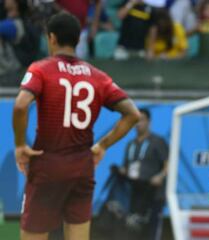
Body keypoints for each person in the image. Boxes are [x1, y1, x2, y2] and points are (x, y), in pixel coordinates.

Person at [12, 12, 140, 240]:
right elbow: (132, 114)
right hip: (82, 166)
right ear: (78, 40)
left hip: (47, 163)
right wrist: (102, 145)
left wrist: (20, 145)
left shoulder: (41, 69)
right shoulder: (98, 76)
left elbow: (21, 106)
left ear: (51, 38)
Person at [116, 108, 168, 240]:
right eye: (136, 120)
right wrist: (122, 171)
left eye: (142, 120)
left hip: (153, 194)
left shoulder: (158, 141)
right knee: (133, 230)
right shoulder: (130, 144)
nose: (138, 123)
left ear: (149, 122)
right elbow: (127, 167)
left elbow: (169, 165)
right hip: (135, 194)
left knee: (152, 230)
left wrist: (160, 176)